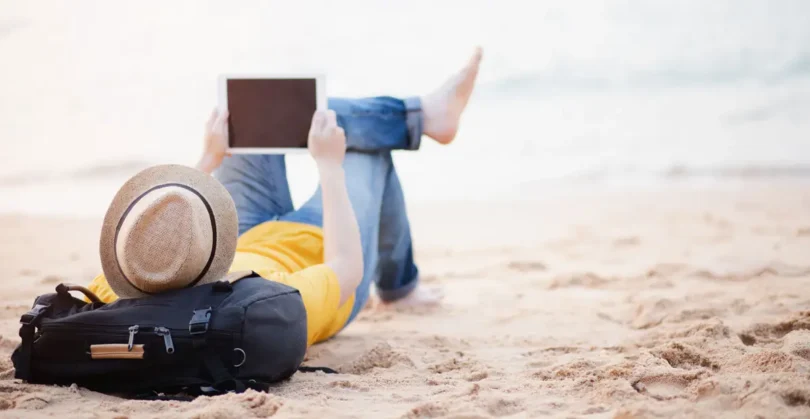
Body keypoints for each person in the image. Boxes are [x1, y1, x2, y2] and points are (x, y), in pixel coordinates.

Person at [86, 48, 483, 347]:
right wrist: (329, 167)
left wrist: (210, 157)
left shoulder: (129, 282)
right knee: (367, 149)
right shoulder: (264, 302)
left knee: (243, 117)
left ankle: (422, 118)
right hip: (324, 244)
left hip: (232, 238)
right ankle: (400, 286)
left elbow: (164, 233)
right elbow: (345, 271)